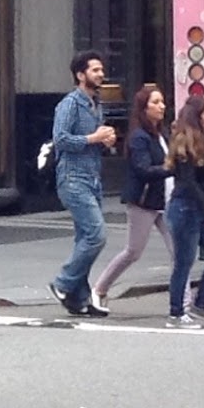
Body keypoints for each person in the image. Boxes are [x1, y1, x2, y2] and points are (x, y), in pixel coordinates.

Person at [91, 83, 175, 312]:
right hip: (143, 201)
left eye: (162, 102)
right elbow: (143, 169)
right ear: (144, 108)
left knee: (178, 252)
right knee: (133, 251)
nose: (161, 106)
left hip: (166, 201)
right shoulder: (139, 137)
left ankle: (182, 305)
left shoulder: (163, 133)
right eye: (155, 103)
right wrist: (171, 168)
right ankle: (99, 288)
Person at [47, 49, 117, 317]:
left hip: (92, 178)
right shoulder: (69, 104)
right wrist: (93, 138)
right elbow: (61, 139)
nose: (101, 74)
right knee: (96, 235)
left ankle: (79, 299)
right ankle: (63, 283)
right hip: (72, 178)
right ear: (80, 74)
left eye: (101, 70)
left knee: (84, 238)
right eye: (95, 70)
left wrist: (105, 141)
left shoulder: (95, 104)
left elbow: (92, 140)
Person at [164, 95, 204, 327]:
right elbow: (188, 183)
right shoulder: (185, 141)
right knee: (185, 261)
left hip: (202, 207)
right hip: (185, 208)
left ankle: (200, 303)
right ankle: (176, 313)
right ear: (197, 117)